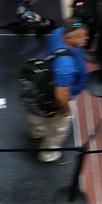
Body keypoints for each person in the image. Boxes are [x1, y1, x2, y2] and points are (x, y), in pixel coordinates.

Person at [27, 17, 89, 164]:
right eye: (81, 36)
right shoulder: (66, 66)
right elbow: (61, 95)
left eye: (85, 34)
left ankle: (36, 132)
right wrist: (66, 111)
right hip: (59, 97)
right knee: (57, 129)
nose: (86, 38)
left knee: (38, 115)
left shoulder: (59, 32)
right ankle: (49, 154)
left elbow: (74, 25)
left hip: (43, 86)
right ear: (68, 37)